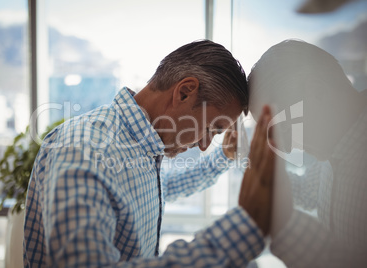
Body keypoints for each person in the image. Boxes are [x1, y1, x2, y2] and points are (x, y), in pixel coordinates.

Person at [23, 40, 276, 267]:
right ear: (185, 92)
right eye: (212, 128)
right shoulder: (85, 150)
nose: (203, 145)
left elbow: (165, 187)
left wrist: (223, 157)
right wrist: (239, 233)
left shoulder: (140, 148)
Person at [248, 39, 367, 267]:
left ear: (317, 90)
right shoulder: (334, 149)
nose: (289, 148)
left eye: (283, 126)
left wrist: (283, 227)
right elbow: (309, 191)